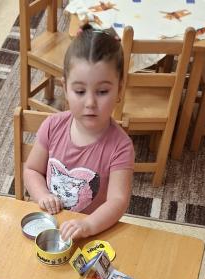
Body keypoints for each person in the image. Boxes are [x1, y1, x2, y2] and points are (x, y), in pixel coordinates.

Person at [23, 25, 134, 243]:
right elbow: (31, 170)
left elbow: (118, 201)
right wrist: (42, 195)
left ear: (119, 89)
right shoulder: (52, 126)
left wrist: (88, 225)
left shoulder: (121, 147)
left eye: (102, 91)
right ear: (65, 88)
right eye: (80, 91)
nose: (90, 102)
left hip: (91, 233)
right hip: (48, 226)